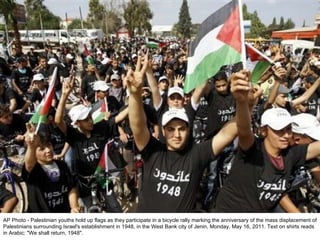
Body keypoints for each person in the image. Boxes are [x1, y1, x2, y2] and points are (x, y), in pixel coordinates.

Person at [126, 54, 238, 212]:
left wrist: (245, 104)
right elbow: (137, 126)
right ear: (163, 130)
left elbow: (227, 134)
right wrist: (135, 95)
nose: (176, 135)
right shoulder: (153, 151)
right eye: (171, 129)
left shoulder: (196, 156)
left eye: (182, 129)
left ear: (189, 127)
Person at [213, 70, 320, 212]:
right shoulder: (252, 149)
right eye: (279, 130)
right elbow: (244, 128)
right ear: (264, 131)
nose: (286, 135)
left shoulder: (291, 154)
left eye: (288, 129)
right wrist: (242, 101)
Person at [55, 77, 128, 212]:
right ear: (77, 123)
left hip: (103, 179)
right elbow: (58, 119)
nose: (90, 121)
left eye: (90, 117)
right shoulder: (74, 136)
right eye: (86, 119)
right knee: (91, 212)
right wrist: (64, 95)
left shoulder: (100, 128)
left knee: (115, 209)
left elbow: (119, 117)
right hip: (85, 184)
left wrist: (135, 97)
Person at [22, 123, 80, 213]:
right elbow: (29, 165)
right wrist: (31, 146)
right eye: (42, 149)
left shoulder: (62, 165)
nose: (48, 150)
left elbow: (71, 187)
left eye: (49, 145)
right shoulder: (33, 170)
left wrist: (74, 206)